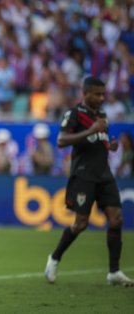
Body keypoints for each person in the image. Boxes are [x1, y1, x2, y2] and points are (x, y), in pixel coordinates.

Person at [44, 76, 133, 287]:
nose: (101, 98)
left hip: (104, 174)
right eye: (97, 94)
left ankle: (114, 271)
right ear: (85, 94)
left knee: (117, 218)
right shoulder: (74, 114)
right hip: (83, 174)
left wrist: (109, 145)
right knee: (80, 223)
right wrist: (91, 131)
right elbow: (61, 140)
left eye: (103, 94)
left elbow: (98, 141)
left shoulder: (102, 115)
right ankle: (55, 257)